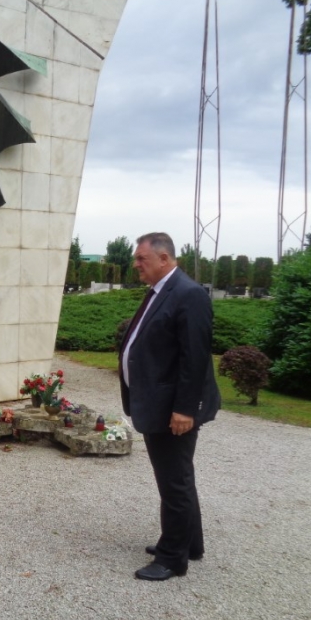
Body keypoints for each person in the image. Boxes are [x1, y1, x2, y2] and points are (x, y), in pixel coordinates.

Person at [119, 232, 220, 581]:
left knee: (173, 482)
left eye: (141, 259)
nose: (136, 265)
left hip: (172, 409)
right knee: (179, 477)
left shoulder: (188, 294)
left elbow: (195, 358)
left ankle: (172, 559)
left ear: (164, 259)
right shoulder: (161, 292)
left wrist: (185, 409)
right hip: (158, 402)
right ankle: (189, 543)